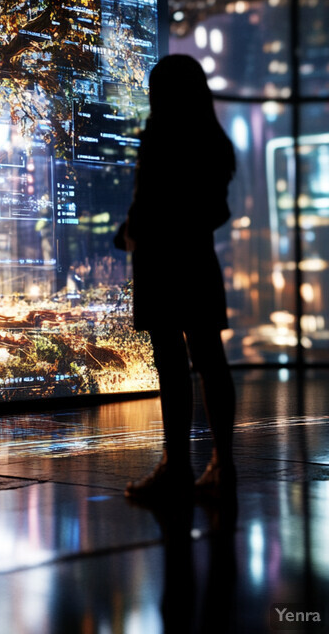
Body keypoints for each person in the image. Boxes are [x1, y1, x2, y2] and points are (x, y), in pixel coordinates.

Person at [115, 54, 236, 503]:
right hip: (198, 260)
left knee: (171, 363)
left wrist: (131, 232)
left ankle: (176, 465)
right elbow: (217, 209)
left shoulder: (160, 136)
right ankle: (222, 463)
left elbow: (148, 203)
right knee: (210, 358)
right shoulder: (215, 142)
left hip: (161, 263)